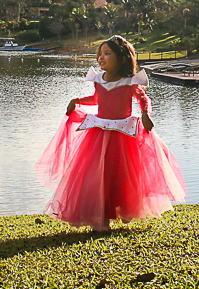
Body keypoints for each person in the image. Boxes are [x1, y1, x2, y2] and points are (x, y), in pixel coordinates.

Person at [36, 35, 186, 231]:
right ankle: (101, 217)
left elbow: (144, 99)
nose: (101, 58)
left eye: (107, 54)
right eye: (100, 54)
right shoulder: (98, 79)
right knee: (98, 175)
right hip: (99, 133)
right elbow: (96, 100)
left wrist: (146, 115)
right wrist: (78, 100)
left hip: (124, 134)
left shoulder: (130, 81)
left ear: (122, 58)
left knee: (123, 174)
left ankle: (126, 208)